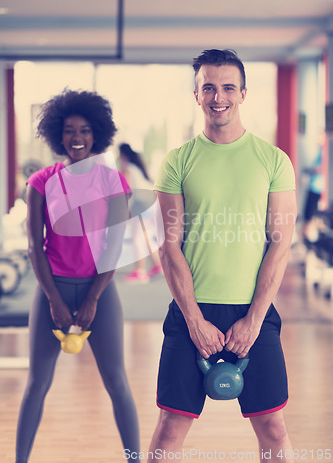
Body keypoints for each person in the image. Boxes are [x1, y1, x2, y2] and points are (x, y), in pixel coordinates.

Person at [149, 50, 297, 462]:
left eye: (228, 87)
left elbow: (279, 244)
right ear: (196, 95)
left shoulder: (274, 161)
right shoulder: (177, 162)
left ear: (243, 93)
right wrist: (194, 320)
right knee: (170, 427)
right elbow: (169, 246)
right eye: (209, 87)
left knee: (273, 427)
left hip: (255, 311)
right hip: (190, 310)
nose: (219, 97)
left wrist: (252, 320)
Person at [15, 90, 140, 463]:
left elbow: (114, 248)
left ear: (96, 133)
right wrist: (54, 298)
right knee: (37, 383)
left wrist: (91, 299)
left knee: (117, 381)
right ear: (58, 135)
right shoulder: (40, 181)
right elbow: (36, 248)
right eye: (69, 130)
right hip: (51, 290)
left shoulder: (113, 181)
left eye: (84, 129)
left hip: (98, 292)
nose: (76, 137)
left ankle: (135, 459)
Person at [118, 143, 163, 283]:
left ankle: (140, 271)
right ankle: (158, 265)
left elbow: (128, 190)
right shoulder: (137, 166)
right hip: (152, 201)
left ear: (122, 154)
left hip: (141, 203)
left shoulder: (127, 168)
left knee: (137, 236)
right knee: (146, 235)